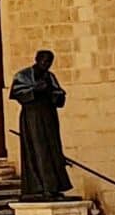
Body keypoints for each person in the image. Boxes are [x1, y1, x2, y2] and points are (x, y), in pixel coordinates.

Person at [10, 46, 73, 201]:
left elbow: (59, 94)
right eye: (44, 61)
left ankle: (54, 186)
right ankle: (41, 187)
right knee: (38, 150)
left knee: (53, 150)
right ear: (37, 60)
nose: (47, 65)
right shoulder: (23, 75)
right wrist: (36, 90)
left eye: (49, 62)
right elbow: (17, 92)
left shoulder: (49, 77)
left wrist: (54, 94)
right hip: (33, 117)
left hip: (49, 116)